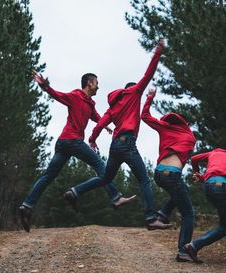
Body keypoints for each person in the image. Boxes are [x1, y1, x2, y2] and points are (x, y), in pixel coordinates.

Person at [63, 40, 171, 230]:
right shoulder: (135, 93)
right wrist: (158, 52)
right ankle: (151, 218)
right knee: (144, 180)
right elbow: (149, 73)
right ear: (133, 89)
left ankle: (74, 191)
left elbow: (99, 125)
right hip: (128, 144)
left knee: (105, 178)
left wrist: (92, 140)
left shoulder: (113, 107)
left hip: (115, 146)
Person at [19, 72, 136, 232]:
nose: (98, 86)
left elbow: (97, 118)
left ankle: (27, 206)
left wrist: (107, 125)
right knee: (100, 164)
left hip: (64, 144)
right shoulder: (75, 96)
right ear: (89, 83)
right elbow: (58, 95)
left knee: (49, 175)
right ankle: (115, 197)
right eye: (96, 83)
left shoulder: (90, 103)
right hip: (72, 140)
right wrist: (45, 86)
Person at [141, 87, 196, 262]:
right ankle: (183, 251)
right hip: (172, 175)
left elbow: (145, 116)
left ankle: (162, 215)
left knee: (181, 191)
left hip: (158, 174)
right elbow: (185, 157)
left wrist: (150, 97)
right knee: (188, 213)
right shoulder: (190, 137)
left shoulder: (164, 127)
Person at [184, 148, 226, 264]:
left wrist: (198, 174)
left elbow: (194, 159)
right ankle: (194, 246)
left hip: (209, 186)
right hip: (225, 187)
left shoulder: (215, 153)